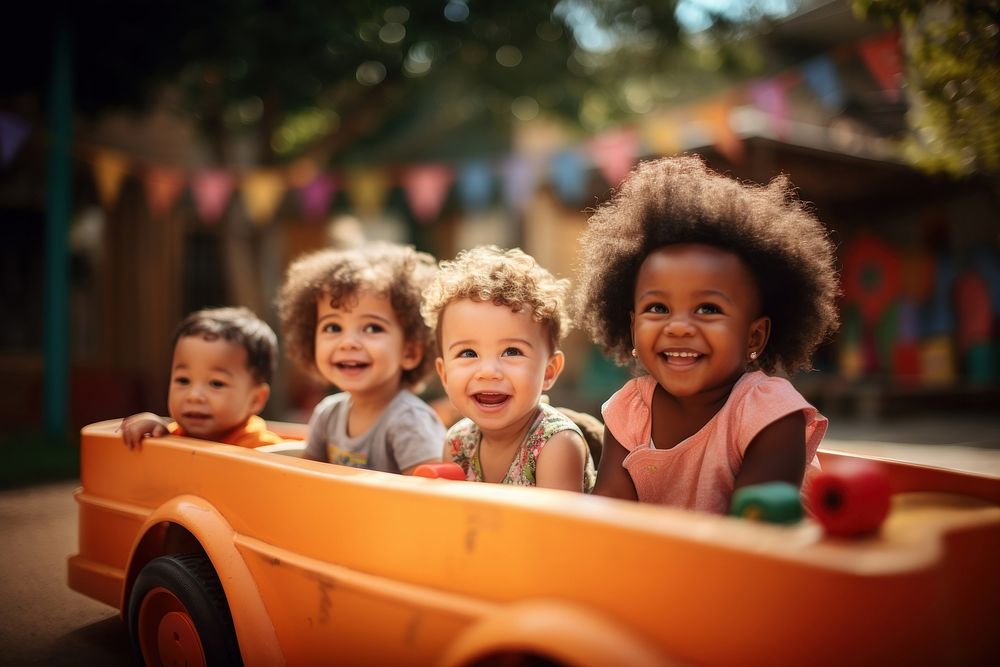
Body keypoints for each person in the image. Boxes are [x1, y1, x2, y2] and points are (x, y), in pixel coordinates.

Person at [575, 155, 840, 513]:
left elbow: (752, 528)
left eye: (708, 309)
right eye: (658, 308)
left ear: (754, 336)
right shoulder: (630, 410)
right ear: (632, 326)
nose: (679, 326)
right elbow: (607, 514)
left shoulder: (769, 413)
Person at [422, 246, 596, 492]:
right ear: (444, 374)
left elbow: (556, 530)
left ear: (549, 371)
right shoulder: (458, 443)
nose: (488, 371)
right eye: (468, 353)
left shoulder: (556, 443)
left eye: (512, 352)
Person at [277, 242, 444, 474]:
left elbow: (428, 498)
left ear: (410, 352)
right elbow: (306, 482)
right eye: (333, 327)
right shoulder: (328, 414)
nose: (348, 342)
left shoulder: (409, 422)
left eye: (372, 328)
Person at [120, 306, 284, 449]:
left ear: (256, 399)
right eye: (183, 380)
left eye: (216, 383)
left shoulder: (263, 450)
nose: (194, 396)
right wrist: (155, 434)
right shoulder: (169, 435)